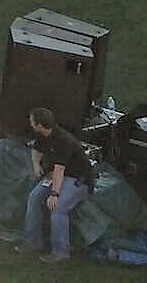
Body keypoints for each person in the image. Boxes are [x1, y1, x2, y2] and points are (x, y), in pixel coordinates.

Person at [18, 106, 93, 263]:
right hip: (57, 175)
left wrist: (54, 194)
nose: (30, 124)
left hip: (78, 179)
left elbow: (59, 170)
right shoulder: (42, 134)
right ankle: (33, 241)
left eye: (32, 121)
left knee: (57, 207)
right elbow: (36, 149)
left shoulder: (63, 140)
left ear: (40, 124)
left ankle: (60, 252)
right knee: (34, 197)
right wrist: (36, 164)